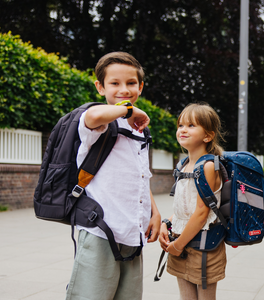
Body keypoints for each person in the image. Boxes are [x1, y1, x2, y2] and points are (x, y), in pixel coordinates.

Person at [65, 51, 161, 300]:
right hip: (101, 230)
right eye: (114, 83)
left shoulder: (139, 129)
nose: (124, 89)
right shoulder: (98, 121)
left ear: (140, 86)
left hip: (132, 231)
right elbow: (95, 115)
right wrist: (129, 111)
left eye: (130, 83)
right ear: (100, 87)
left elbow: (140, 175)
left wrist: (154, 211)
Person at [159, 103, 226, 300]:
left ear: (208, 136)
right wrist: (168, 222)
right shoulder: (183, 164)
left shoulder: (207, 166)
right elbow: (185, 206)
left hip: (204, 244)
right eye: (180, 125)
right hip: (181, 238)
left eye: (191, 125)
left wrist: (178, 245)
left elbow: (201, 213)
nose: (183, 130)